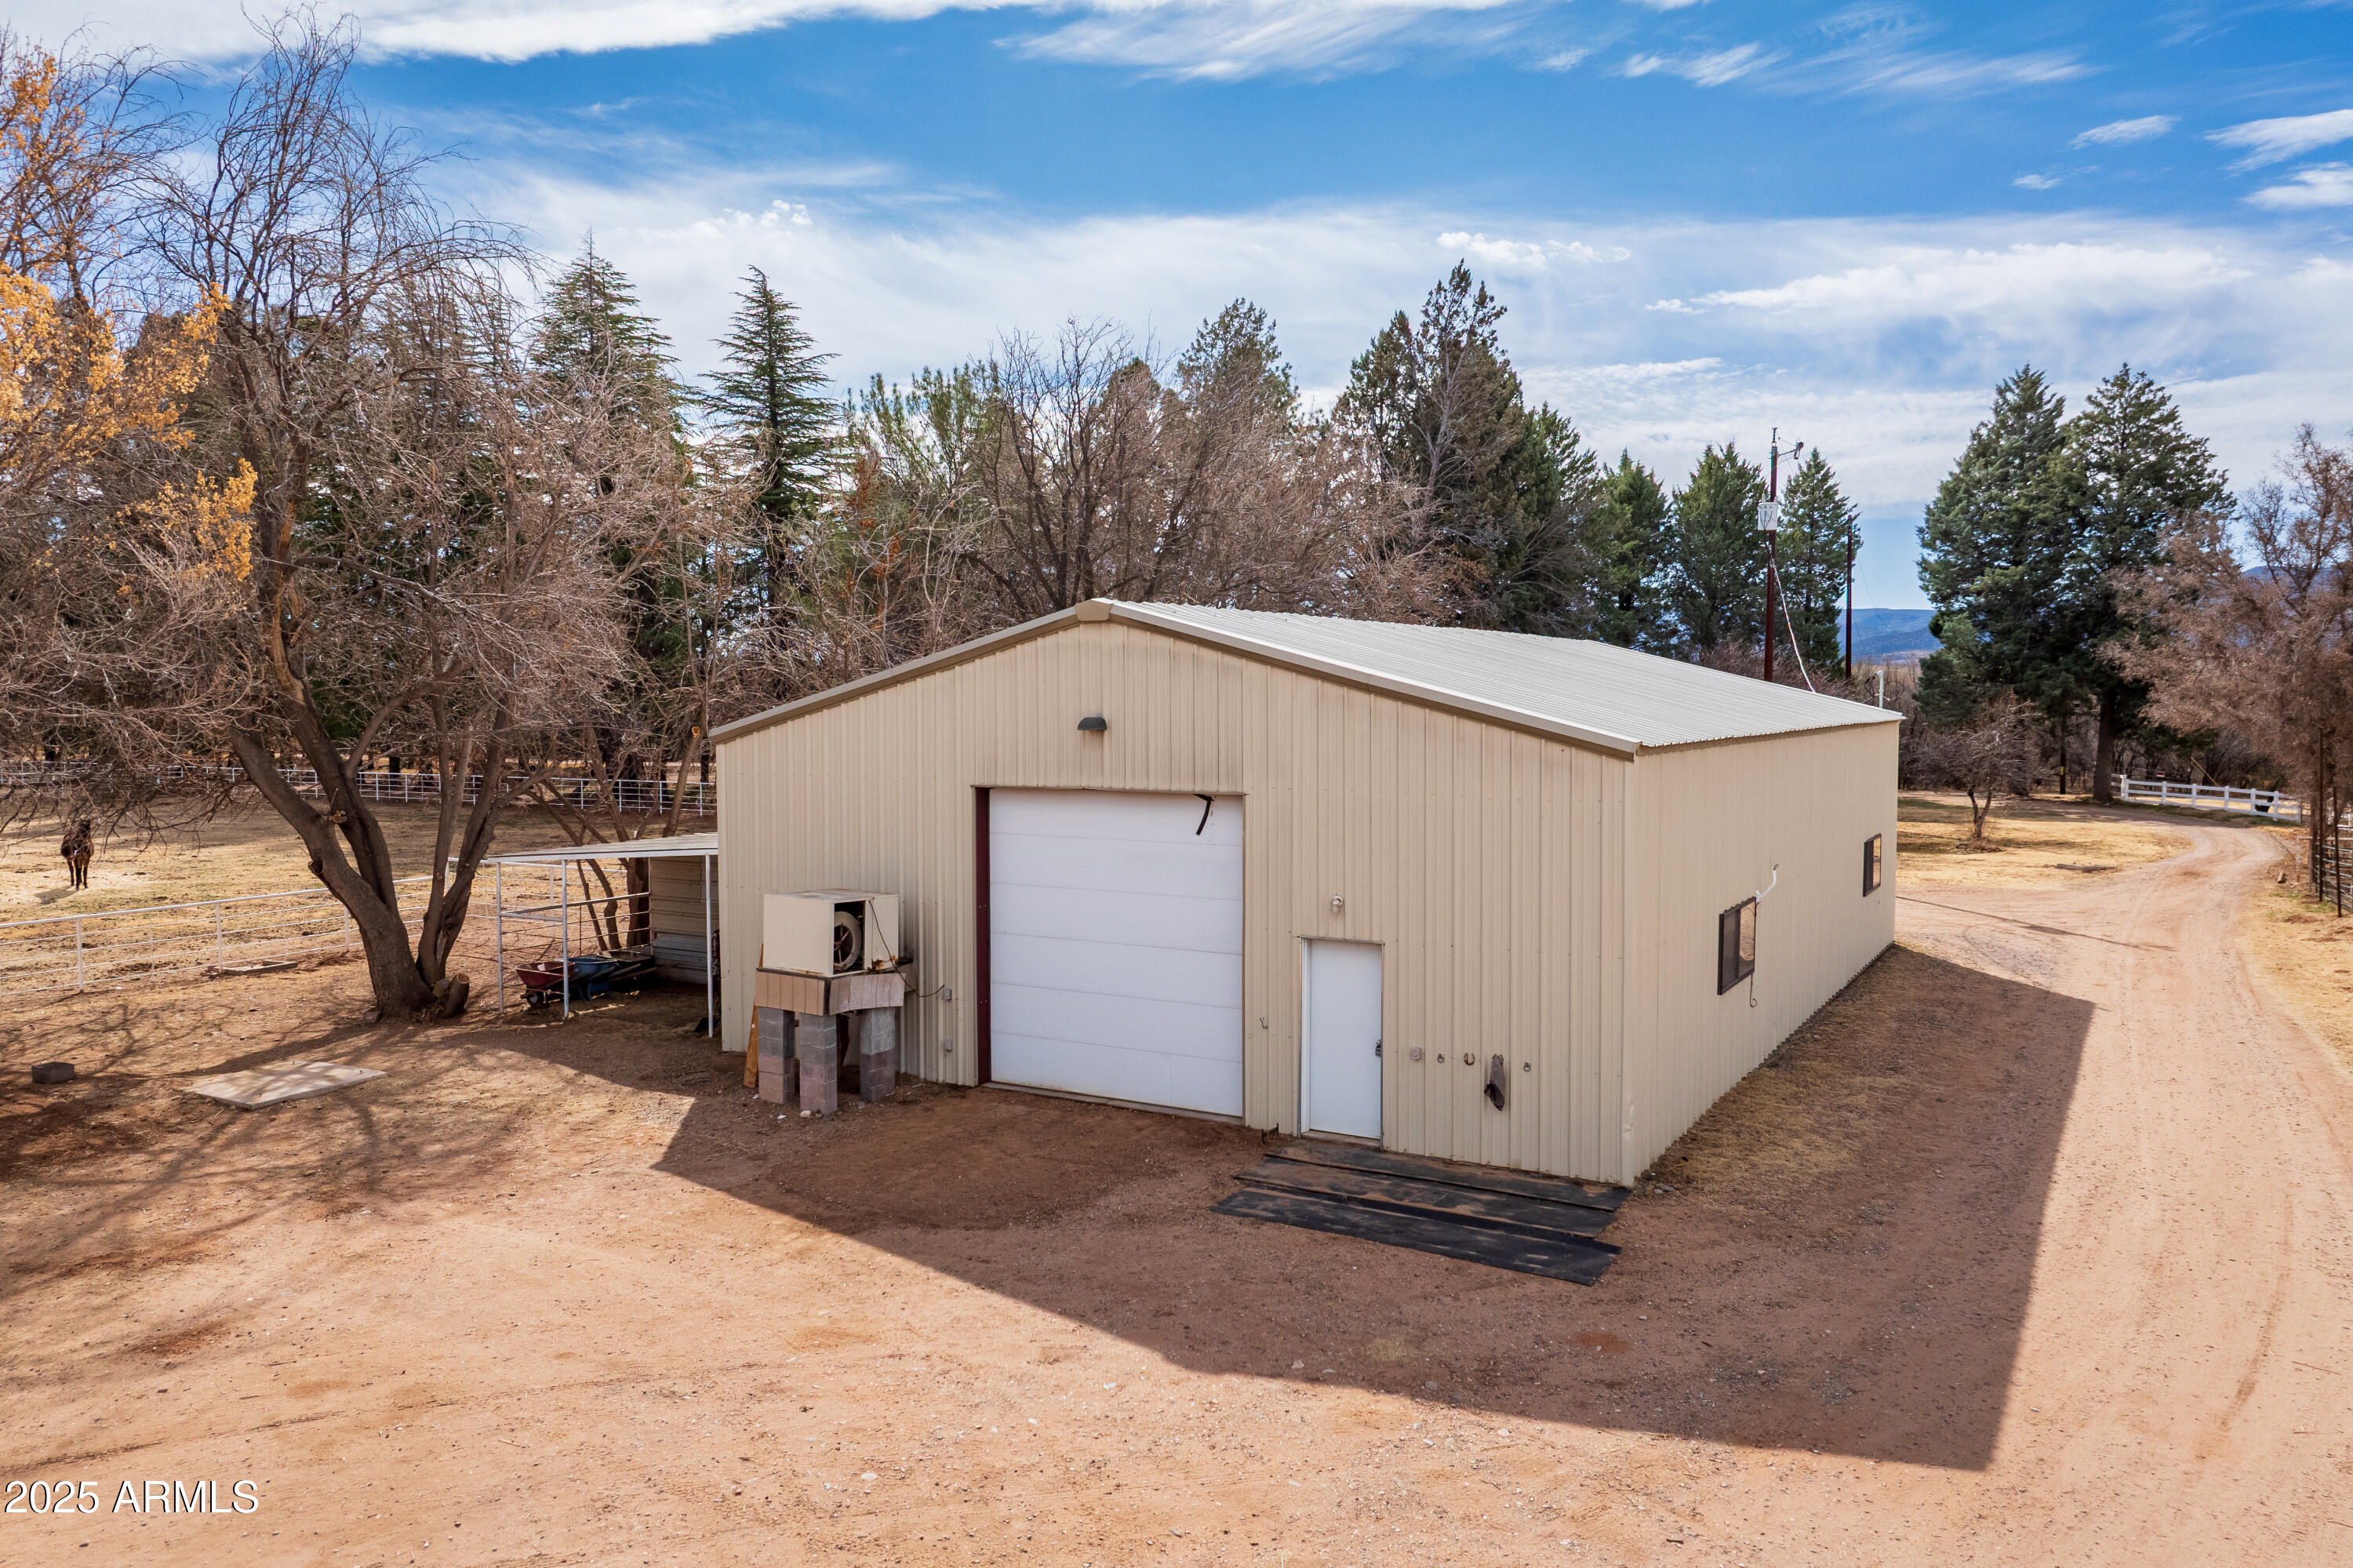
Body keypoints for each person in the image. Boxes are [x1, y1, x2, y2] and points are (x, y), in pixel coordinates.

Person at [60, 819, 93, 890]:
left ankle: (84, 882)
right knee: (77, 867)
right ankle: (75, 880)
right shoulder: (76, 843)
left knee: (84, 867)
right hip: (77, 850)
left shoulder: (88, 842)